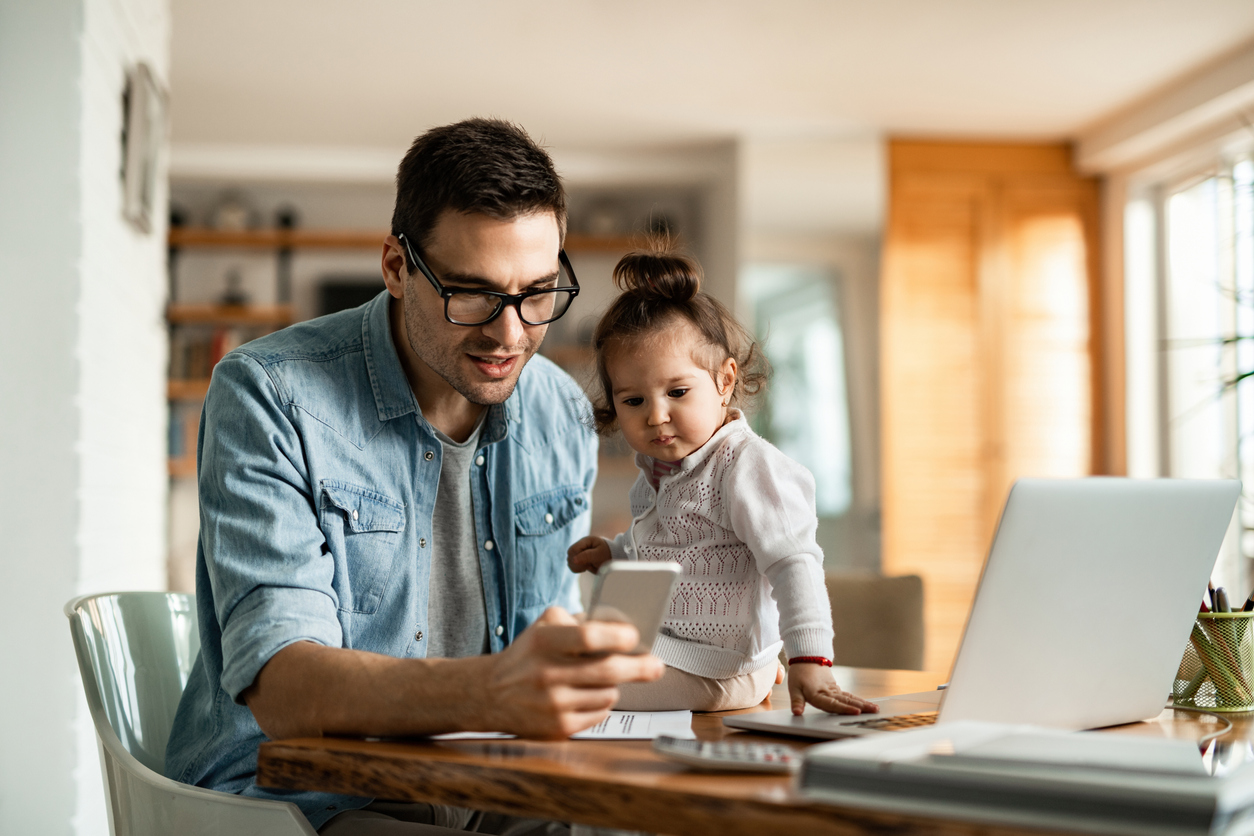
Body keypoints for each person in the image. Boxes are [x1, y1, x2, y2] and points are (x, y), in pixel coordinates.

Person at [164, 118, 663, 835]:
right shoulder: (269, 394)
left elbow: (547, 654)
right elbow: (284, 688)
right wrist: (494, 692)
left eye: (538, 293)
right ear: (397, 267)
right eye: (472, 295)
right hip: (305, 800)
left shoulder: (560, 409)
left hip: (497, 788)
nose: (511, 334)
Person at [566, 247, 879, 717]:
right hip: (680, 649)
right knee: (565, 642)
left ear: (725, 380)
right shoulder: (659, 472)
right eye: (633, 401)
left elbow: (794, 563)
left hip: (717, 669)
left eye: (677, 392)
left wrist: (809, 658)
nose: (656, 415)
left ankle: (756, 672)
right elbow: (676, 551)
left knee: (576, 686)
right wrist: (617, 552)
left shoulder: (746, 467)